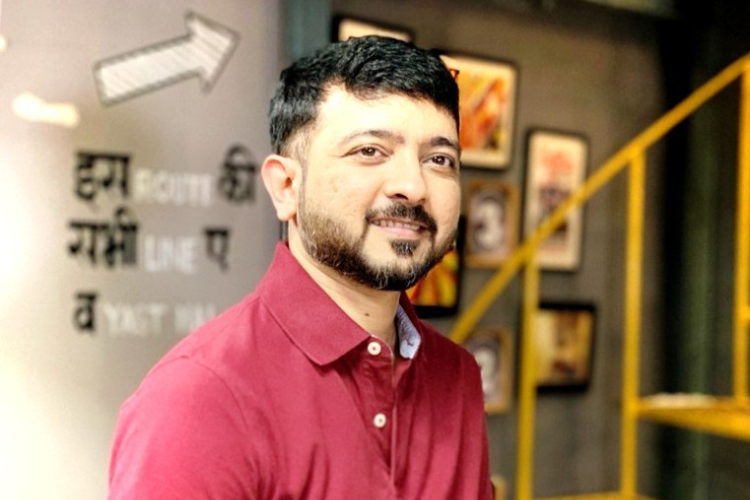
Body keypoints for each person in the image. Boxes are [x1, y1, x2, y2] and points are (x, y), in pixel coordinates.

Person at [108, 35, 492, 500]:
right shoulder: (201, 396)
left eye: (439, 159)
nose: (413, 186)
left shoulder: (457, 375)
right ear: (286, 186)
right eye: (370, 151)